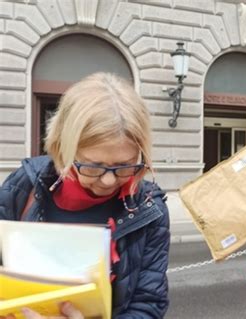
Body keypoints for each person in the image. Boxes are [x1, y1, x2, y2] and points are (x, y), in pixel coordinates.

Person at [0, 72, 170, 318]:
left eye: (124, 166)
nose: (109, 180)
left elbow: (149, 304)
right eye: (93, 166)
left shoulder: (149, 209)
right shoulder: (22, 186)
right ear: (63, 149)